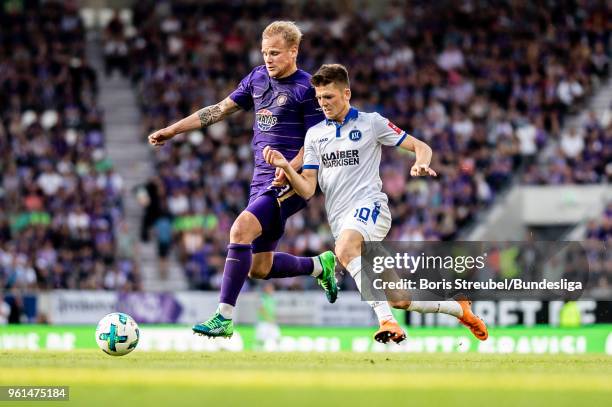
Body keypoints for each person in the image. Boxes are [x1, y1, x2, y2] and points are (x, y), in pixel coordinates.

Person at [264, 64, 488, 341]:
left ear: (346, 94)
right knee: (401, 299)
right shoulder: (315, 135)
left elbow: (422, 146)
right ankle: (459, 309)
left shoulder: (371, 123)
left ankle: (387, 323)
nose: (323, 104)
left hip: (371, 209)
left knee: (344, 248)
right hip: (342, 220)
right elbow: (308, 188)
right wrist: (287, 168)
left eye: (329, 97)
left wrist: (420, 163)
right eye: (319, 98)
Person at [148, 21, 339, 338]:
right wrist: (173, 130)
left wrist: (288, 166)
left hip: (292, 179)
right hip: (261, 179)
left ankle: (223, 317)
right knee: (258, 267)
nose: (268, 58)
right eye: (265, 52)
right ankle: (320, 266)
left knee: (240, 229)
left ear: (294, 52)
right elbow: (219, 110)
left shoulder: (308, 88)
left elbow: (319, 138)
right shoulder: (257, 78)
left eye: (275, 53)